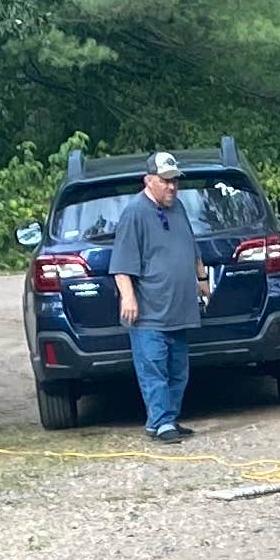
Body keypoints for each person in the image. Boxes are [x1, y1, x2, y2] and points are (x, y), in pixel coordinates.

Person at [103, 152, 208, 444]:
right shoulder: (135, 213)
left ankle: (166, 419)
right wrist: (129, 298)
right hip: (150, 312)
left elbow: (191, 247)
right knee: (154, 369)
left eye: (175, 181)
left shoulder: (178, 208)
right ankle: (161, 422)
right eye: (165, 181)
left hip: (179, 310)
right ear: (149, 181)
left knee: (178, 371)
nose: (172, 187)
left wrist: (201, 279)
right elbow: (121, 265)